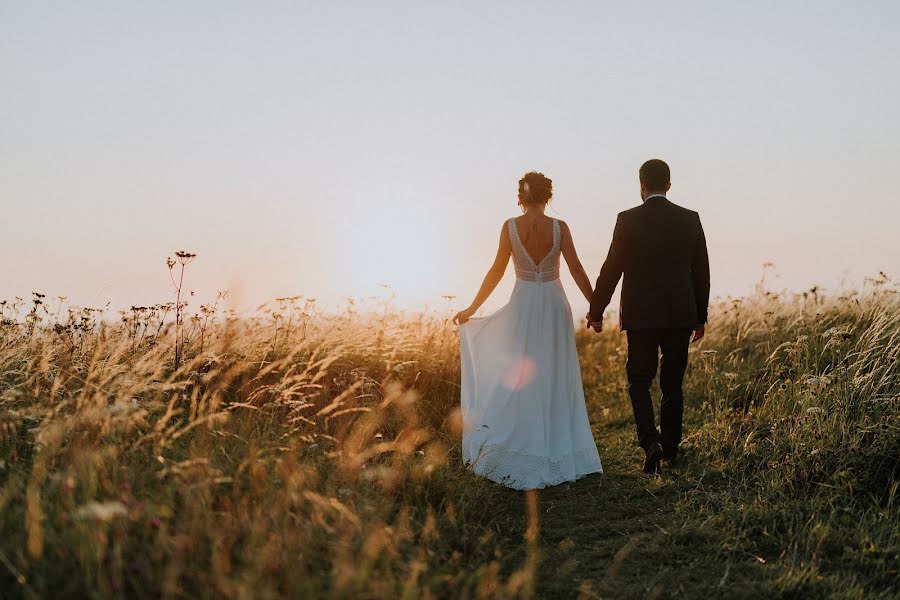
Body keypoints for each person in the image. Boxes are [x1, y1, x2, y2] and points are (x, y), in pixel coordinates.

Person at [453, 171, 603, 490]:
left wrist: (470, 308)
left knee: (520, 375)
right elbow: (576, 268)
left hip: (522, 304)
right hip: (553, 303)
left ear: (520, 196)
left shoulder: (510, 227)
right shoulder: (560, 228)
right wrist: (596, 307)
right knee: (554, 373)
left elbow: (496, 270)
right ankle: (557, 443)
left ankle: (523, 438)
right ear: (548, 196)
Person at [587, 159, 710, 475]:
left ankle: (650, 443)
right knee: (673, 384)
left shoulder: (627, 220)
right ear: (669, 185)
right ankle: (670, 448)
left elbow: (611, 268)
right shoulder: (690, 219)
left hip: (641, 316)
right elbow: (701, 272)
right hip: (680, 314)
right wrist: (700, 316)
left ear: (641, 185)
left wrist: (596, 311)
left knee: (639, 381)